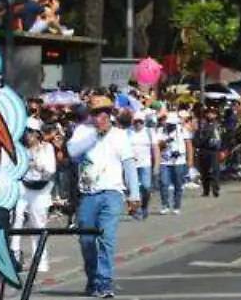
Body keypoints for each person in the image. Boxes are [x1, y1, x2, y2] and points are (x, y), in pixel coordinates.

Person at [67, 96, 140, 298]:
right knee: (86, 241)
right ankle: (93, 279)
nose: (102, 116)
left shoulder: (119, 135)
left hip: (112, 193)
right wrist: (95, 135)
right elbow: (72, 152)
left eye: (106, 112)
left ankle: (105, 282)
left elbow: (129, 166)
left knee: (106, 238)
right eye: (98, 112)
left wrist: (134, 195)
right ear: (91, 115)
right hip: (88, 194)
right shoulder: (83, 132)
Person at [13, 118, 56, 272]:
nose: (28, 135)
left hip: (41, 190)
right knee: (17, 218)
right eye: (26, 132)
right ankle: (15, 256)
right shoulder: (20, 149)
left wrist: (37, 164)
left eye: (31, 132)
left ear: (38, 134)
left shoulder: (47, 148)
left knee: (37, 225)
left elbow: (51, 170)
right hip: (24, 187)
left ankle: (41, 261)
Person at [125, 111, 159, 220]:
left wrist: (156, 165)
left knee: (146, 187)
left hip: (145, 164)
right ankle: (135, 210)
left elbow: (155, 149)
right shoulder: (127, 132)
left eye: (140, 121)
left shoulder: (149, 132)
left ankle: (144, 206)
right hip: (131, 165)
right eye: (136, 121)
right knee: (132, 189)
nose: (138, 124)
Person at [157, 112, 191, 215]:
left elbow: (188, 145)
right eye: (169, 124)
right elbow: (157, 146)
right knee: (164, 183)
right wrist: (166, 141)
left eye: (173, 124)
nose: (171, 126)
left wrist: (190, 161)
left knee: (178, 184)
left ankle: (177, 206)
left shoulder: (182, 130)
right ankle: (165, 205)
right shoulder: (161, 131)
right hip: (165, 161)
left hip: (179, 161)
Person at [194, 106, 225, 198]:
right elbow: (196, 136)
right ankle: (206, 190)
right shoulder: (201, 125)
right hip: (203, 150)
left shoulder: (217, 126)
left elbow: (222, 138)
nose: (210, 115)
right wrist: (197, 144)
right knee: (204, 171)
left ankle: (215, 189)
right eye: (208, 113)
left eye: (212, 113)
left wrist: (223, 149)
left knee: (215, 171)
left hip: (214, 150)